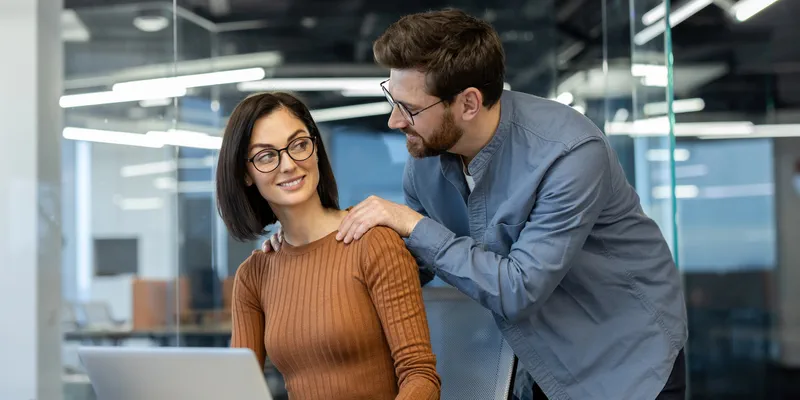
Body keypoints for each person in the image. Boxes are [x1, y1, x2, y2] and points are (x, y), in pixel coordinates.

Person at [263, 9, 688, 400]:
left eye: (408, 108)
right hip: (537, 359)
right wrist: (311, 248)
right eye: (391, 99)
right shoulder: (426, 159)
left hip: (625, 362)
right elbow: (419, 264)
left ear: (468, 103)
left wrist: (412, 224)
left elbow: (517, 289)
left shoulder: (569, 154)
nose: (394, 121)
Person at [216, 91, 441, 400]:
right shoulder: (254, 276)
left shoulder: (372, 242)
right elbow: (238, 390)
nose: (289, 165)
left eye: (298, 145)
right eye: (266, 155)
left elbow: (421, 376)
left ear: (316, 149)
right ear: (246, 173)